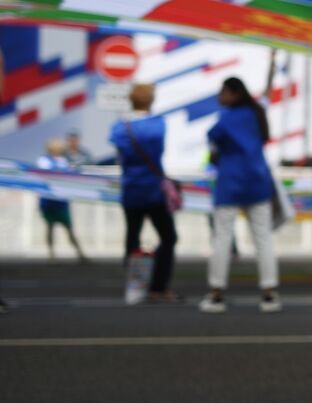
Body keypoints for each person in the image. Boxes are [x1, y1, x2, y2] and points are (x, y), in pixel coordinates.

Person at [199, 77, 280, 313]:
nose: (219, 97)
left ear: (234, 93)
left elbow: (213, 142)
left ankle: (216, 293)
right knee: (263, 238)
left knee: (222, 237)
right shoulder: (257, 114)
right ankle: (269, 293)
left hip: (230, 183)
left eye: (222, 92)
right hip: (258, 181)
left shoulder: (225, 119)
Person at [110, 83, 180, 303]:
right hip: (153, 190)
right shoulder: (158, 125)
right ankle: (158, 286)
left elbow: (119, 153)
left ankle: (135, 284)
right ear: (150, 100)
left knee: (133, 236)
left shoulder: (119, 128)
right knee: (168, 236)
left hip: (131, 188)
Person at [35, 138, 89, 262]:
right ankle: (51, 254)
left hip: (61, 201)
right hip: (48, 200)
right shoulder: (44, 161)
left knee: (69, 227)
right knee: (50, 227)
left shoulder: (64, 161)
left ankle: (80, 254)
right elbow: (46, 174)